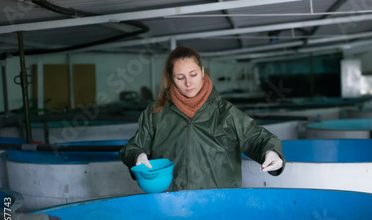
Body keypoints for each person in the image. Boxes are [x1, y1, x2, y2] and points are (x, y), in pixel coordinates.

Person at [119, 46, 285, 191]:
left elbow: (256, 137)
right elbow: (134, 146)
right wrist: (137, 156)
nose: (188, 83)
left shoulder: (225, 112)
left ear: (202, 72)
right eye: (180, 77)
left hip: (218, 203)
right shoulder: (156, 113)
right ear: (172, 78)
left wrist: (271, 152)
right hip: (171, 203)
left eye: (193, 74)